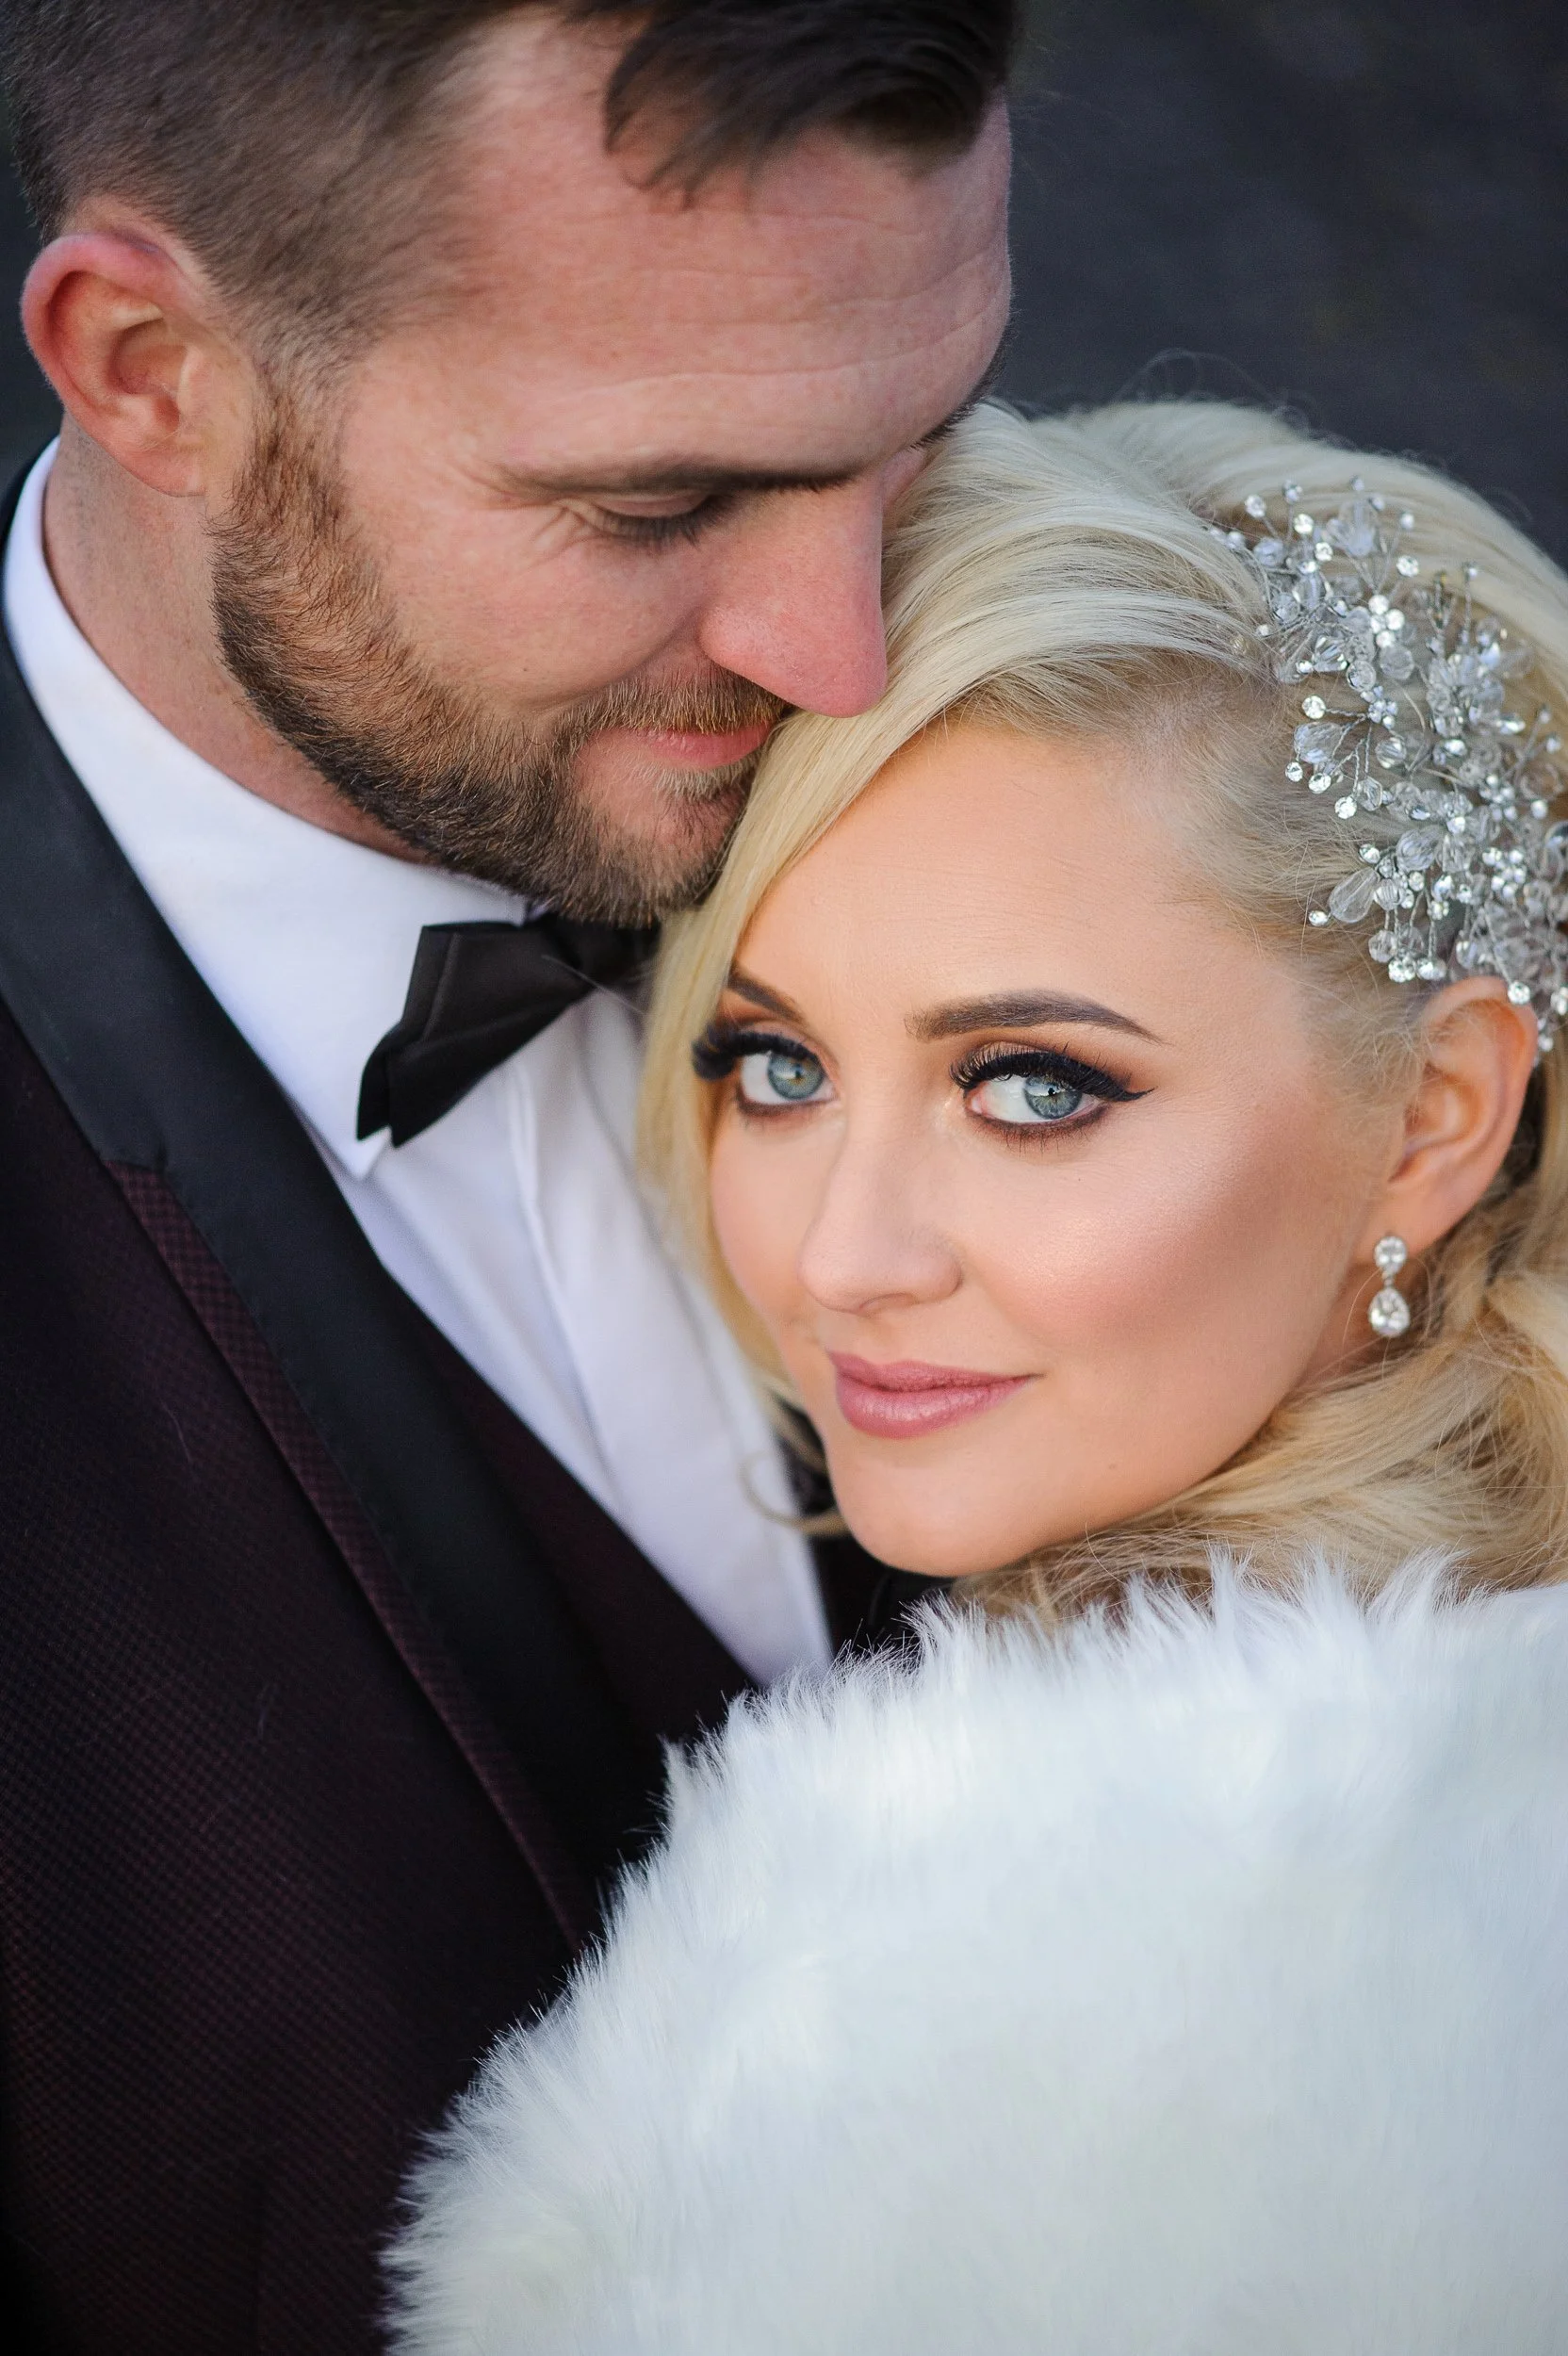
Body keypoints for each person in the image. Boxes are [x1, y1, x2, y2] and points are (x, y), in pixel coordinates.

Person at [0, 3, 1014, 2347]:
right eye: (656, 509)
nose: (844, 659)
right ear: (151, 368)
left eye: (919, 449)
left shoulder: (1108, 749)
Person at [389, 401, 1568, 2352]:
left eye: (1035, 1087)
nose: (843, 1255)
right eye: (774, 1063)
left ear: (1435, 1119)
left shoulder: (1065, 1946)